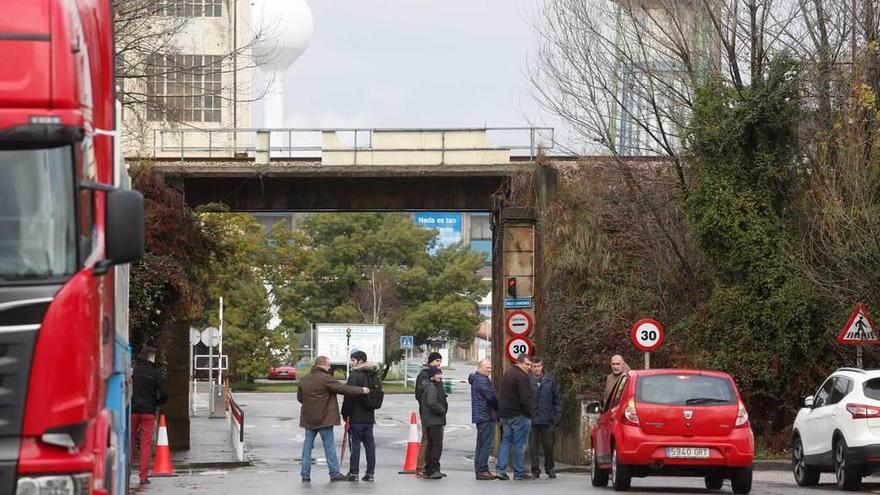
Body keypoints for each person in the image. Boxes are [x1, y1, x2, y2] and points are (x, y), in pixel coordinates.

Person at [297, 355, 370, 483]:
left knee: (307, 446)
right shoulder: (326, 379)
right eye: (328, 365)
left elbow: (300, 398)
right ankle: (334, 473)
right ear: (322, 365)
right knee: (329, 446)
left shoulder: (304, 379)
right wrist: (361, 390)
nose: (330, 367)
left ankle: (305, 474)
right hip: (324, 418)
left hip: (308, 419)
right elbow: (343, 389)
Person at [341, 351, 383, 482]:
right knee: (370, 445)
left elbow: (348, 395)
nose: (351, 363)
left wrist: (344, 413)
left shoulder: (355, 375)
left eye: (353, 360)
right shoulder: (374, 375)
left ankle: (354, 472)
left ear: (360, 361)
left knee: (355, 445)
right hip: (369, 417)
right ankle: (370, 473)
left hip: (355, 416)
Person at [131, 346, 168, 486]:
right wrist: (156, 403)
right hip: (148, 412)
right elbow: (164, 393)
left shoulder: (134, 371)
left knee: (130, 440)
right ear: (151, 357)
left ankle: (126, 472)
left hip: (133, 410)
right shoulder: (155, 373)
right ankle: (143, 476)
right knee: (145, 444)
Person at [496, 353, 534, 481]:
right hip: (519, 415)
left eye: (530, 365)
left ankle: (500, 470)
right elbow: (525, 398)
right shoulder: (522, 377)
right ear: (519, 363)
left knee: (506, 442)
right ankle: (519, 471)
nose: (529, 367)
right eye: (527, 364)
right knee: (519, 444)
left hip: (505, 415)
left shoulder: (507, 374)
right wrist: (529, 413)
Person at [528, 357, 562, 479]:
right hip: (531, 419)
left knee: (548, 446)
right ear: (531, 367)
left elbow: (557, 399)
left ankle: (550, 468)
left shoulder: (550, 380)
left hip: (547, 419)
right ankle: (535, 470)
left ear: (542, 366)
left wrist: (557, 415)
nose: (537, 369)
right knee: (533, 447)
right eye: (534, 366)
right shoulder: (526, 380)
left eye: (539, 366)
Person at [468, 358, 499, 480]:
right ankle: (482, 469)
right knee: (487, 444)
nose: (490, 370)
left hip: (480, 415)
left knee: (481, 443)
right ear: (480, 368)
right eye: (487, 368)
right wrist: (498, 408)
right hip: (485, 415)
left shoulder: (478, 379)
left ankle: (479, 468)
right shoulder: (482, 380)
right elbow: (491, 398)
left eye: (490, 367)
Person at [414, 351, 443, 478]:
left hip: (436, 414)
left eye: (440, 361)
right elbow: (420, 395)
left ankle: (431, 467)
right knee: (428, 441)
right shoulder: (425, 375)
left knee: (433, 441)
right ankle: (422, 467)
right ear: (430, 361)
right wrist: (433, 408)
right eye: (437, 361)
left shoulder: (435, 374)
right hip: (430, 414)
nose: (439, 364)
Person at [419, 366, 448, 480]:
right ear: (432, 375)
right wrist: (442, 410)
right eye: (437, 374)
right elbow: (432, 403)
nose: (440, 376)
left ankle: (429, 468)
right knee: (436, 445)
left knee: (431, 444)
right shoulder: (431, 387)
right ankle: (433, 469)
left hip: (430, 419)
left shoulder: (429, 385)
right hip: (434, 419)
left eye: (440, 373)